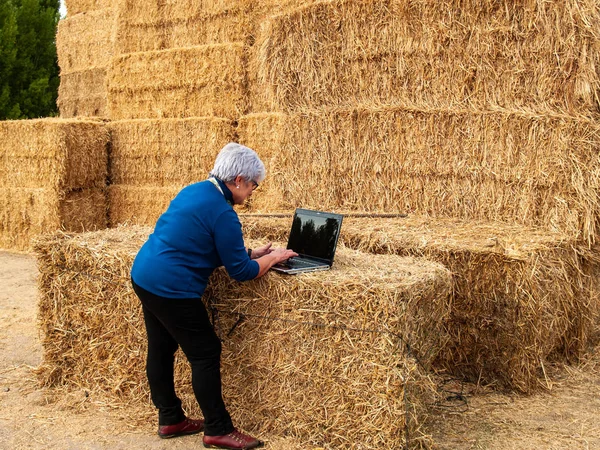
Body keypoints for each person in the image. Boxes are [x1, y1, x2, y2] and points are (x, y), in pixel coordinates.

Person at [130, 142, 297, 449]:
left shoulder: (195, 190)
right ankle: (218, 428)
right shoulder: (223, 212)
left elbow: (199, 240)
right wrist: (273, 258)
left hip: (145, 274)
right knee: (205, 351)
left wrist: (249, 253)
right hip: (172, 287)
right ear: (237, 180)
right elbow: (243, 272)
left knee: (162, 346)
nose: (250, 194)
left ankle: (170, 419)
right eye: (252, 186)